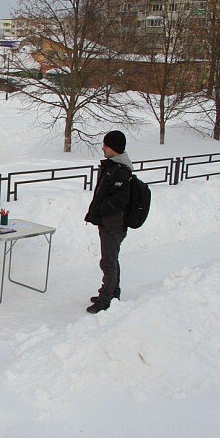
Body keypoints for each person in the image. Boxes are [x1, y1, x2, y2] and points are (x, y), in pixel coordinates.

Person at [84, 130, 132, 314]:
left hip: (114, 224)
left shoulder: (121, 172)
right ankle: (113, 292)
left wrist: (100, 211)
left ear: (115, 149)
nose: (102, 148)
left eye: (106, 145)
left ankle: (105, 299)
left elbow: (119, 201)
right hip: (108, 222)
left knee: (108, 262)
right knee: (112, 259)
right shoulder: (111, 167)